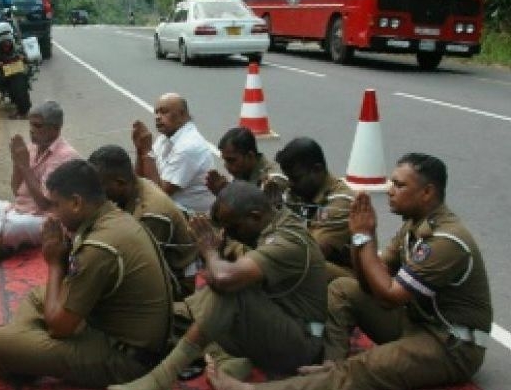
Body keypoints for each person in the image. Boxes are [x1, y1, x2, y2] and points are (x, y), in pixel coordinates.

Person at [207, 154, 492, 390]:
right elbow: (367, 281)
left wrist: (363, 238)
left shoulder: (445, 240)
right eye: (391, 183)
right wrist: (360, 240)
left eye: (399, 185)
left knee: (360, 369)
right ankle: (330, 362)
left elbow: (391, 297)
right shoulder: (413, 227)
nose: (390, 190)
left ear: (427, 192)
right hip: (414, 323)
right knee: (343, 288)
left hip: (451, 345)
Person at [0, 159, 174, 387]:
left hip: (125, 360)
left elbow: (59, 327)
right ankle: (21, 360)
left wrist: (54, 263)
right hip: (115, 329)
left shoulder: (100, 246)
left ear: (76, 203)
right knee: (39, 296)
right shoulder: (113, 216)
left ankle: (6, 363)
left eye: (55, 205)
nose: (51, 214)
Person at [109, 181, 327, 390]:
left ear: (255, 217)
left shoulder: (288, 241)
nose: (229, 234)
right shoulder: (267, 223)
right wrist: (218, 251)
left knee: (231, 293)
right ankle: (227, 356)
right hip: (271, 320)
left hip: (301, 343)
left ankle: (162, 378)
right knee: (170, 317)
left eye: (233, 228)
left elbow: (224, 280)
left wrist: (209, 250)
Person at [0, 100, 80, 259]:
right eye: (30, 125)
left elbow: (44, 203)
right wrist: (17, 162)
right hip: (17, 210)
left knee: (13, 226)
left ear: (54, 129)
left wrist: (24, 165)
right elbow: (16, 190)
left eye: (38, 126)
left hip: (44, 218)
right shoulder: (32, 148)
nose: (31, 130)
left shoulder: (65, 156)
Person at [87, 144, 197, 296]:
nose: (96, 193)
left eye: (99, 187)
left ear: (120, 183)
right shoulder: (135, 185)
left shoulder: (150, 214)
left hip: (175, 282)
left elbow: (138, 266)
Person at [273, 136, 355, 278]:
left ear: (317, 169)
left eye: (295, 178)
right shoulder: (299, 191)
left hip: (344, 274)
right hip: (312, 264)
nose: (290, 184)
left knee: (284, 265)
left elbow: (313, 252)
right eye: (288, 178)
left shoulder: (341, 202)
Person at [132, 93, 214, 214]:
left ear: (182, 115)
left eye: (164, 112)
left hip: (191, 217)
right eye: (156, 112)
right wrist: (140, 151)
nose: (158, 117)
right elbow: (139, 180)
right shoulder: (165, 138)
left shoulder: (188, 146)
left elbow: (158, 195)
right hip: (171, 207)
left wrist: (147, 151)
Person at [206, 127, 284, 195]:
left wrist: (228, 194)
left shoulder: (273, 180)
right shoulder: (243, 172)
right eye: (225, 160)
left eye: (231, 160)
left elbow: (260, 208)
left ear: (250, 156)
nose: (227, 166)